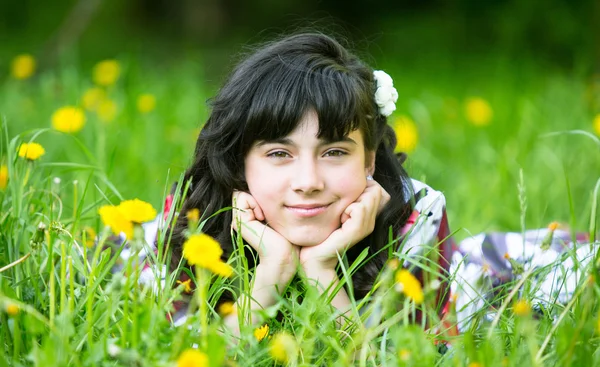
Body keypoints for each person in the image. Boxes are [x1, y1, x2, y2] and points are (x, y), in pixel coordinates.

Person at [114, 32, 597, 334]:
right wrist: (269, 277)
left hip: (460, 276)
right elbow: (186, 361)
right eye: (279, 153)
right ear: (241, 164)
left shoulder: (414, 215)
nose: (308, 182)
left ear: (369, 159)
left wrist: (325, 271)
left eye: (335, 153)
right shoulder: (194, 221)